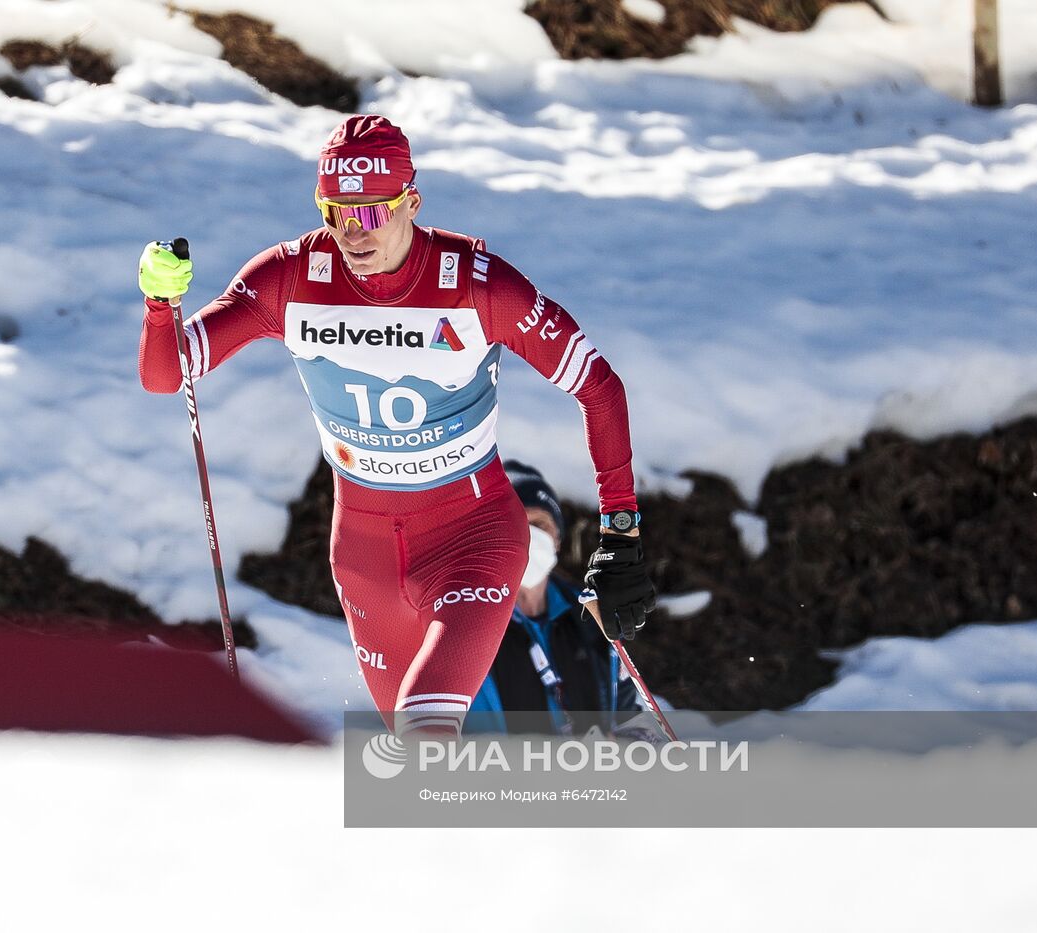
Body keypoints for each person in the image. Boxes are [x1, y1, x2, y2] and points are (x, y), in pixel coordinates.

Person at [137, 115, 655, 737]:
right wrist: (160, 307)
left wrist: (621, 534)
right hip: (364, 556)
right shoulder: (291, 277)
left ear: (410, 202)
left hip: (475, 537)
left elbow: (599, 387)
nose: (353, 232)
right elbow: (170, 375)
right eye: (336, 213)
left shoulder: (475, 283)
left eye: (372, 212)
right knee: (422, 773)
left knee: (424, 728)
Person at [467, 460, 643, 737]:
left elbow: (626, 714)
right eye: (514, 525)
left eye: (539, 524)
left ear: (558, 537)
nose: (528, 537)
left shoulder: (590, 616)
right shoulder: (463, 620)